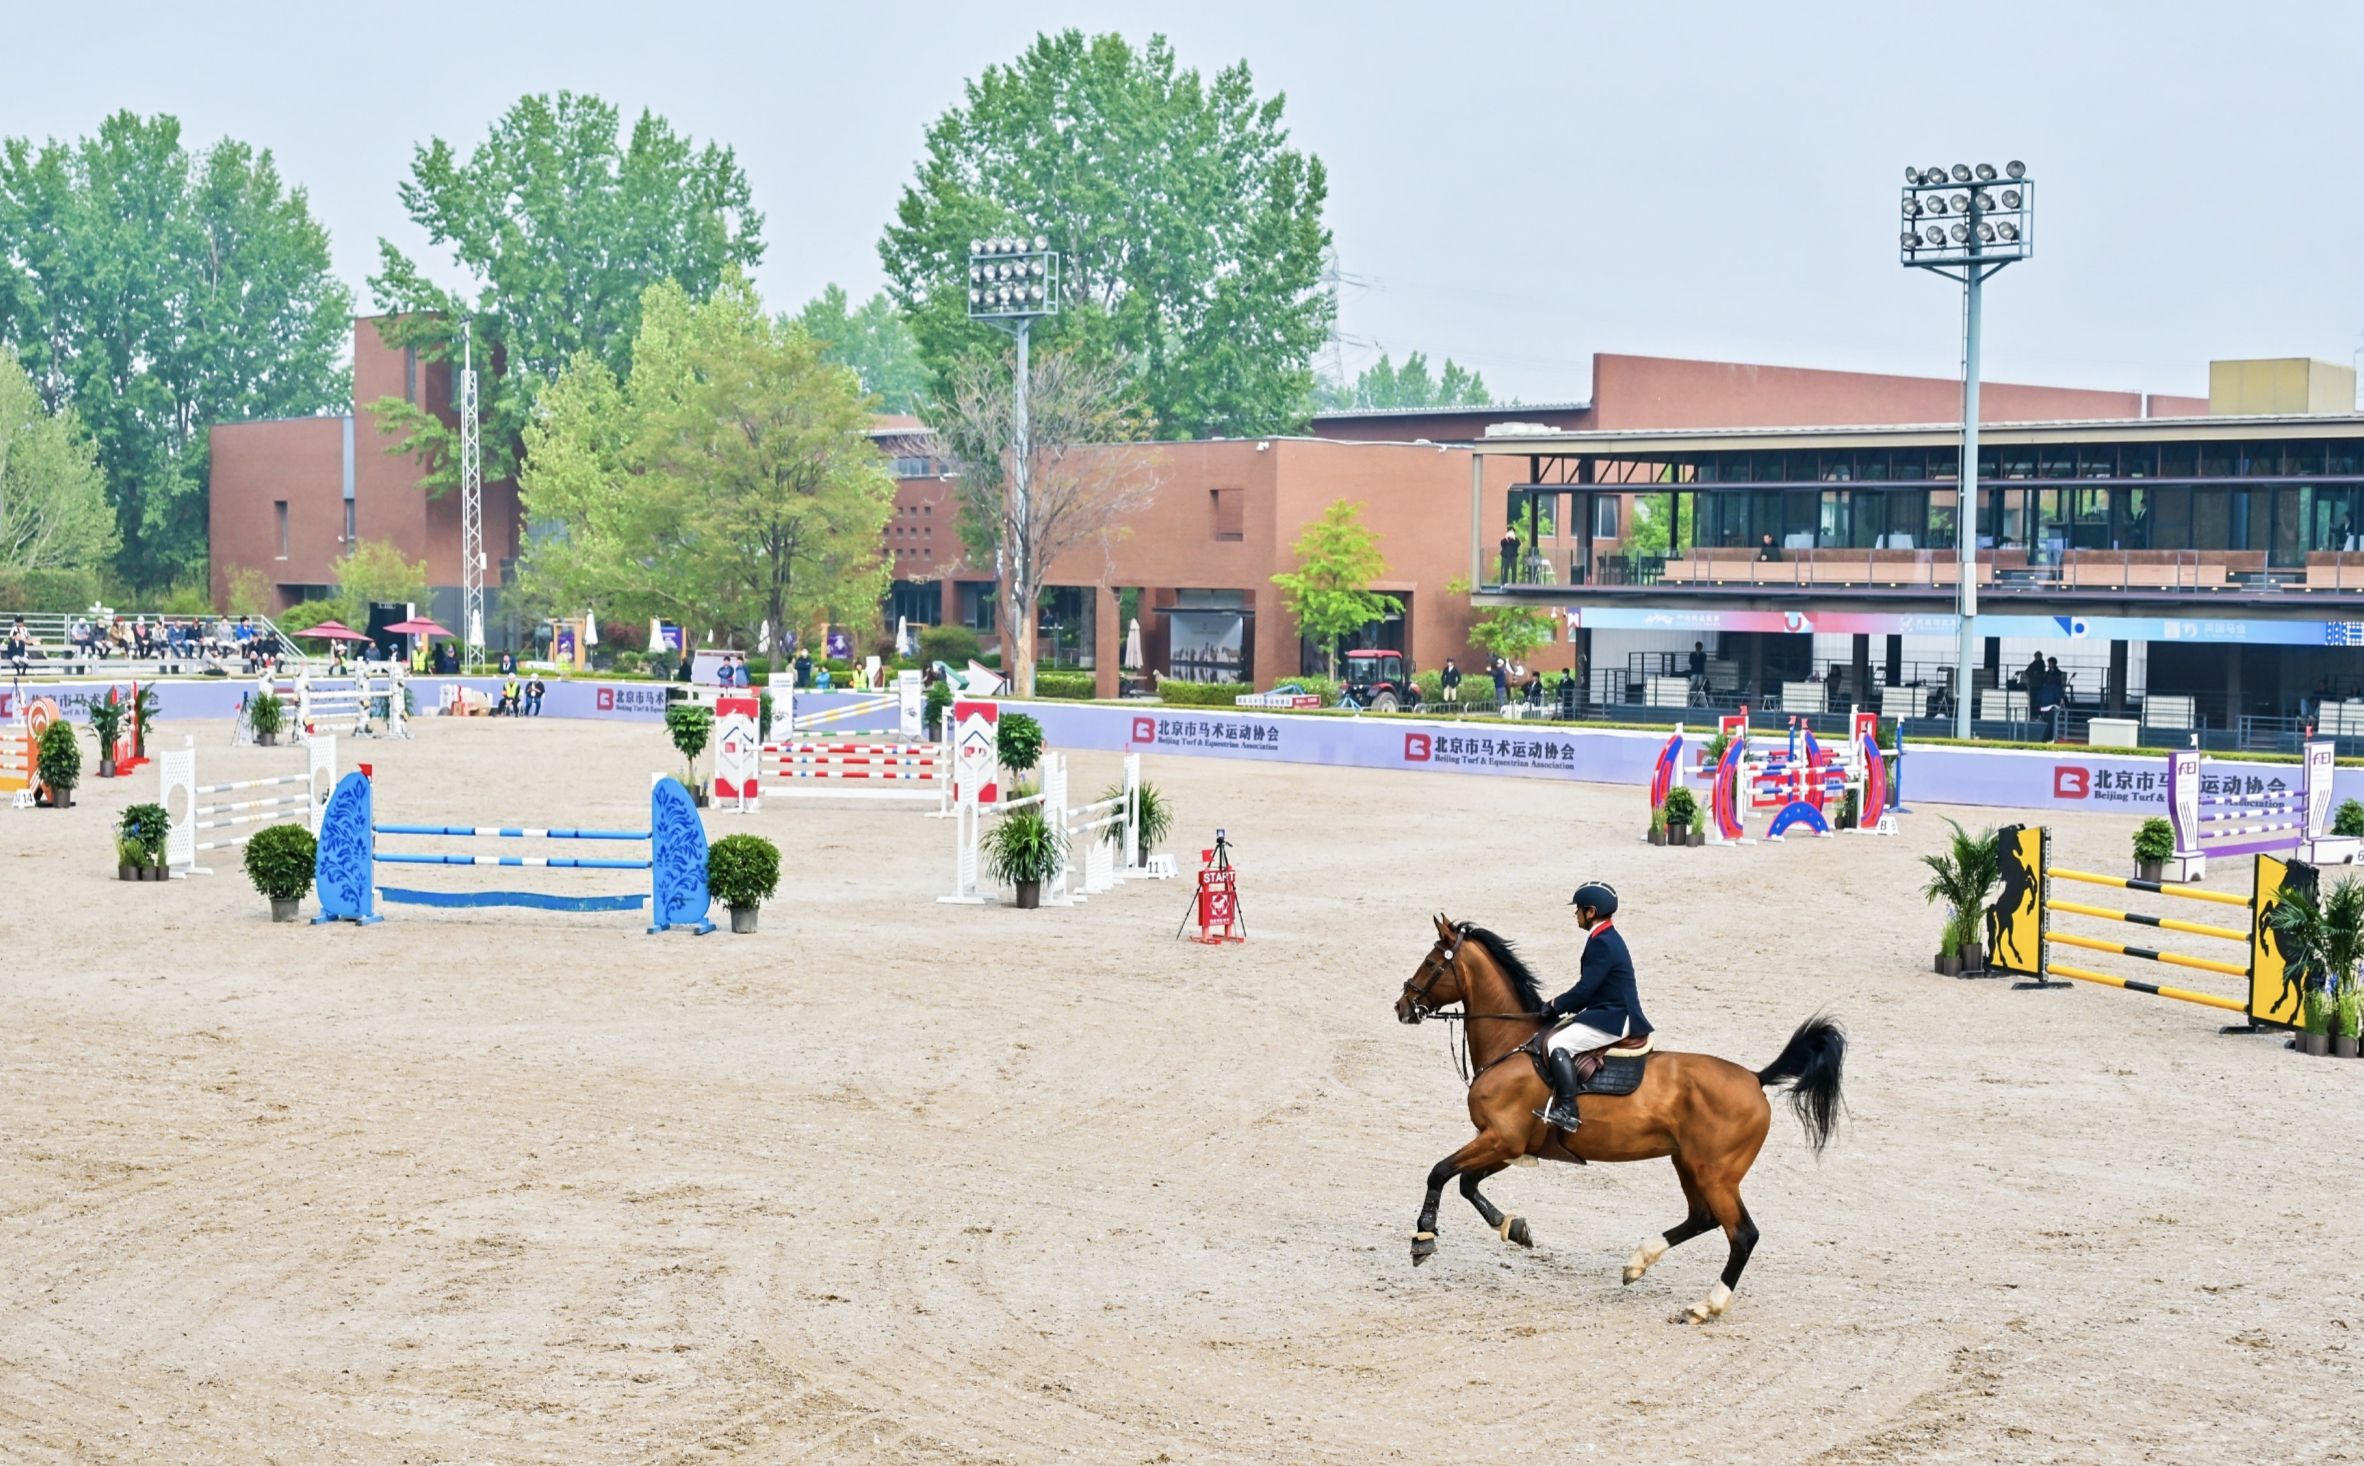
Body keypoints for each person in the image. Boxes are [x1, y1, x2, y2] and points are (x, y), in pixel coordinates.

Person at [1534, 882, 1652, 1131]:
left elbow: (1585, 990)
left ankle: (1569, 1112)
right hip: (1611, 1009)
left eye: (1579, 909)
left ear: (1591, 912)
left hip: (1615, 1017)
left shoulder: (1602, 943)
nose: (1575, 913)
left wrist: (1555, 1005)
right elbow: (1593, 990)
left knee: (1558, 1043)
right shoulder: (1605, 936)